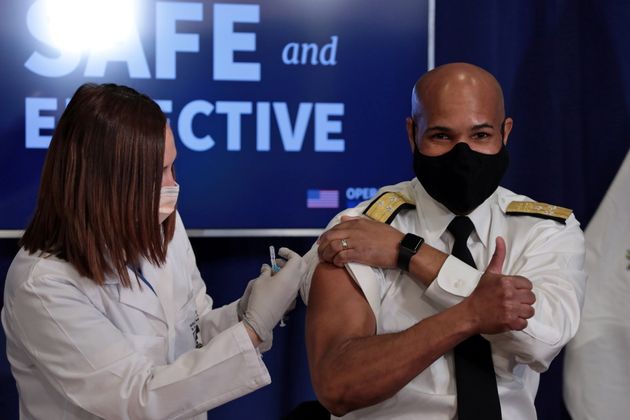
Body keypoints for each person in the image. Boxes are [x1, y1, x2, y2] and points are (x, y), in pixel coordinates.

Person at [1, 83, 307, 420]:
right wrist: (251, 331)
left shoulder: (163, 228)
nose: (173, 184)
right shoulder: (42, 284)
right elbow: (135, 398)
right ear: (106, 181)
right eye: (158, 172)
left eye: (172, 166)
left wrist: (244, 314)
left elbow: (190, 336)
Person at [304, 63, 587, 419]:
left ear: (506, 132)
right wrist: (469, 315)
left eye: (481, 135)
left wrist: (409, 253)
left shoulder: (545, 229)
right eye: (441, 136)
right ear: (413, 134)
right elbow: (339, 385)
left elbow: (544, 339)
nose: (463, 155)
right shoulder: (359, 230)